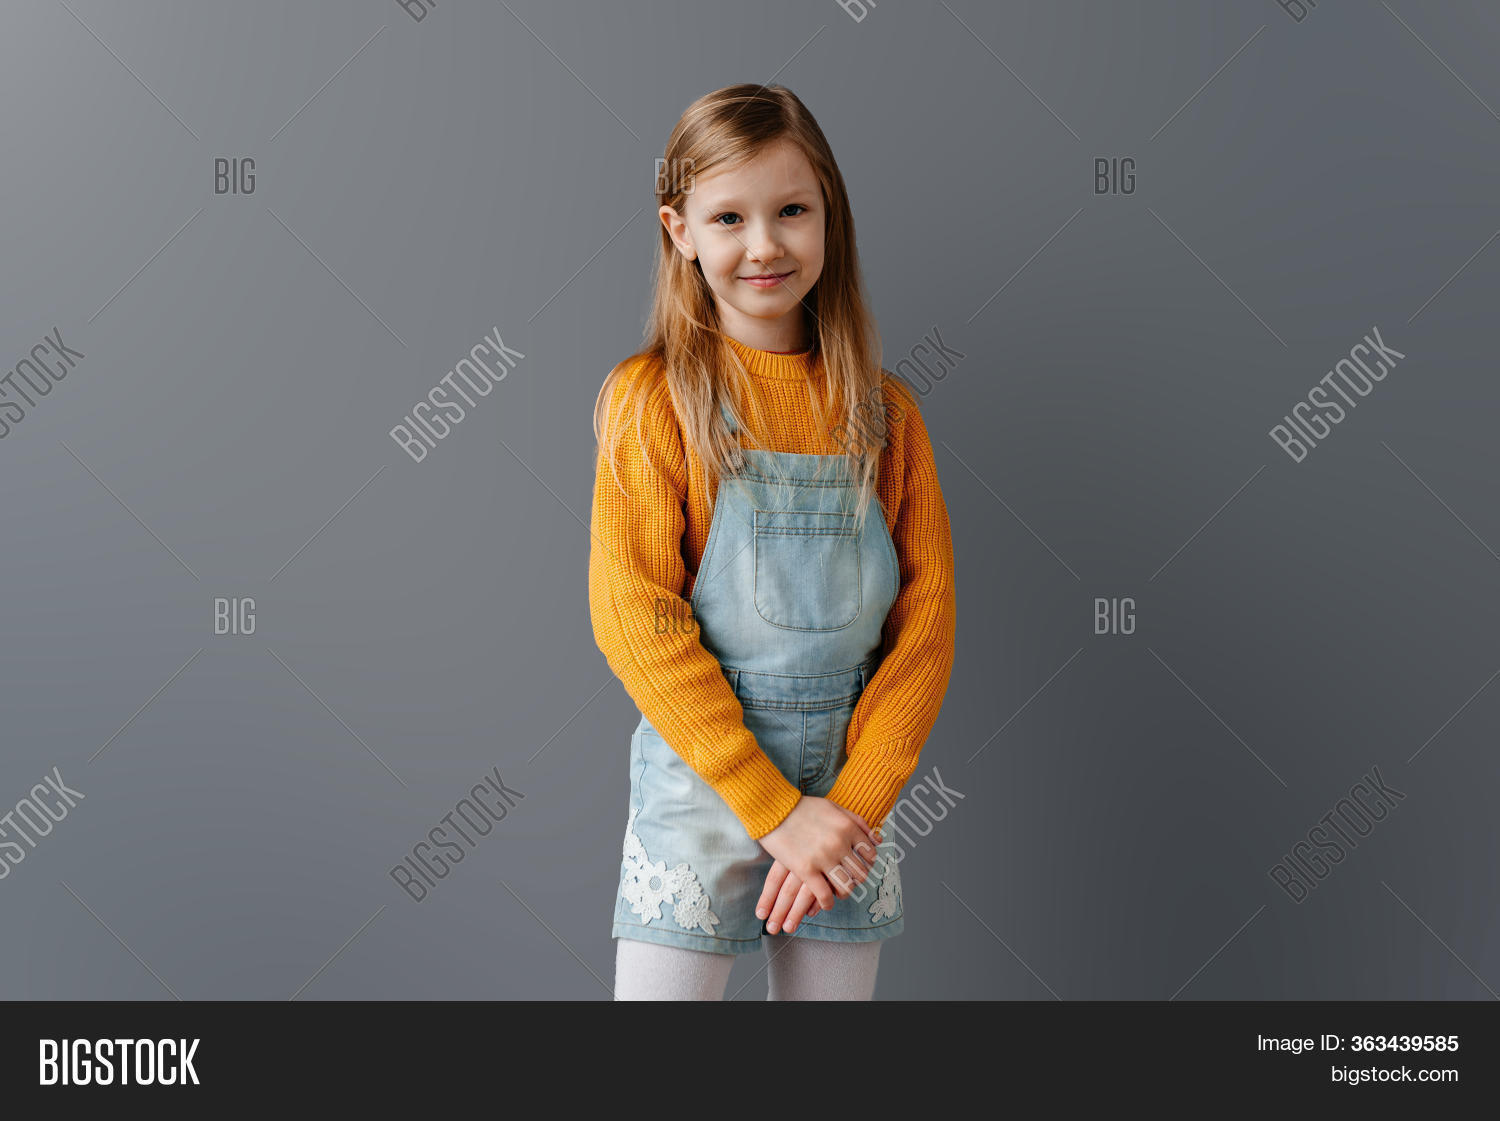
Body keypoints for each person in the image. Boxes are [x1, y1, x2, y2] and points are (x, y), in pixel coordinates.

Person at [589, 83, 956, 1000]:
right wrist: (771, 809)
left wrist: (848, 808)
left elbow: (927, 627)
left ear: (829, 213)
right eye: (729, 217)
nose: (764, 244)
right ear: (680, 231)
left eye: (792, 210)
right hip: (703, 783)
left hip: (846, 800)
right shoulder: (653, 402)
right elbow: (636, 618)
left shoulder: (886, 415)